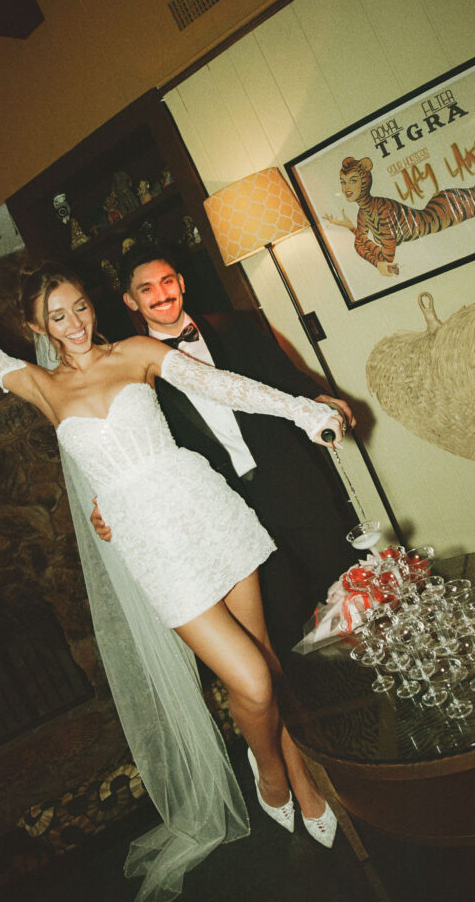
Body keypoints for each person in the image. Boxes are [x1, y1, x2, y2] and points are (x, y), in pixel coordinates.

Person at [0, 202, 345, 901]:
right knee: (251, 681)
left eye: (78, 306)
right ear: (38, 327)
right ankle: (271, 774)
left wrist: (305, 410)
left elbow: (222, 385)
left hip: (210, 513)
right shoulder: (41, 386)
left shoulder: (134, 353)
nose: (74, 322)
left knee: (266, 666)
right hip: (153, 546)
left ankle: (302, 777)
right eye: (58, 316)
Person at [90, 243, 357, 659]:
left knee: (352, 587)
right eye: (147, 288)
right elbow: (129, 443)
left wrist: (321, 399)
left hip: (293, 485)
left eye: (167, 281)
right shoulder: (133, 372)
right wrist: (106, 503)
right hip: (229, 512)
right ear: (130, 300)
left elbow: (287, 380)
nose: (161, 294)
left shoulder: (237, 327)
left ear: (181, 283)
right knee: (285, 628)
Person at [324, 68, 475, 275]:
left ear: (365, 179)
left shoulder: (380, 210)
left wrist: (372, 256)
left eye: (352, 180)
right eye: (343, 182)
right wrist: (353, 230)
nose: (346, 187)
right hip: (442, 209)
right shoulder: (365, 213)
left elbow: (386, 255)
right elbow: (361, 245)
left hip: (444, 213)